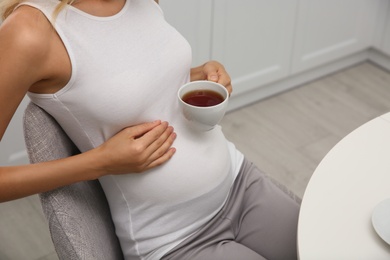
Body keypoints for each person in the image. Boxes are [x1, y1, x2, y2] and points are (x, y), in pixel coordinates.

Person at [0, 0, 300, 259]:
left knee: (327, 245)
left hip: (240, 182)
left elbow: (140, 82)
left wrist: (204, 71)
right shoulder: (29, 32)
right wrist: (99, 163)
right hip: (176, 239)